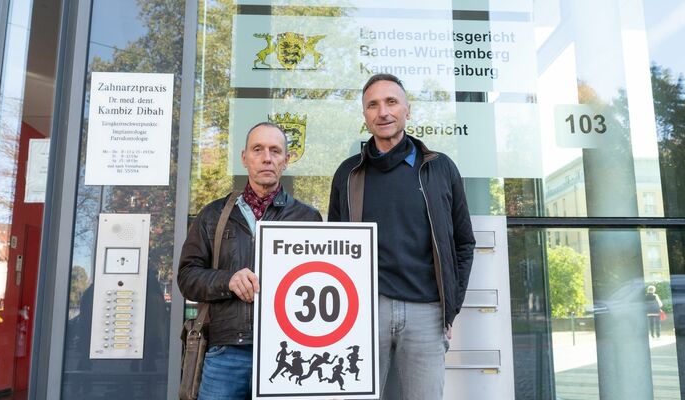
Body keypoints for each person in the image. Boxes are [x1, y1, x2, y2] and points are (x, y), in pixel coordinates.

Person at [328, 73, 475, 400]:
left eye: (391, 102)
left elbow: (464, 243)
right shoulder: (348, 173)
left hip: (428, 312)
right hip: (364, 312)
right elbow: (333, 251)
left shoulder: (441, 169)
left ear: (407, 109)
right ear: (365, 116)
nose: (383, 112)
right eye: (373, 105)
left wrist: (451, 306)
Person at [178, 122, 322, 400]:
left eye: (275, 150)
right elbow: (187, 276)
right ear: (244, 157)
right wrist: (226, 280)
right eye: (258, 149)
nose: (267, 157)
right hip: (226, 353)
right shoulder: (213, 215)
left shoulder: (307, 217)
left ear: (286, 160)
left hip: (289, 354)